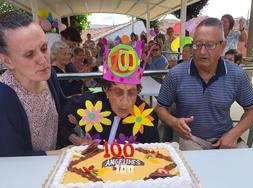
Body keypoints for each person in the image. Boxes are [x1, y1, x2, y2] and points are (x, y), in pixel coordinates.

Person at [156, 17, 253, 150]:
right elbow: (160, 108)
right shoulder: (175, 74)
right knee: (194, 169)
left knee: (247, 166)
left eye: (210, 45)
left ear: (223, 46)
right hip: (191, 138)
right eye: (197, 45)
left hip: (225, 137)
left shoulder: (236, 74)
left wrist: (234, 134)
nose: (202, 51)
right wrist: (174, 122)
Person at [0, 11, 87, 157]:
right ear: (7, 61)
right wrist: (60, 153)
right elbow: (11, 157)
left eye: (44, 48)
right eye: (29, 54)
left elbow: (62, 115)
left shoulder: (49, 76)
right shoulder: (4, 98)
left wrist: (76, 138)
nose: (43, 60)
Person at [62, 44, 159, 144]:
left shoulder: (147, 116)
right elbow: (62, 119)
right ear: (106, 89)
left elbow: (153, 152)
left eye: (131, 93)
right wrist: (78, 140)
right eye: (118, 92)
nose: (125, 101)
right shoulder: (90, 106)